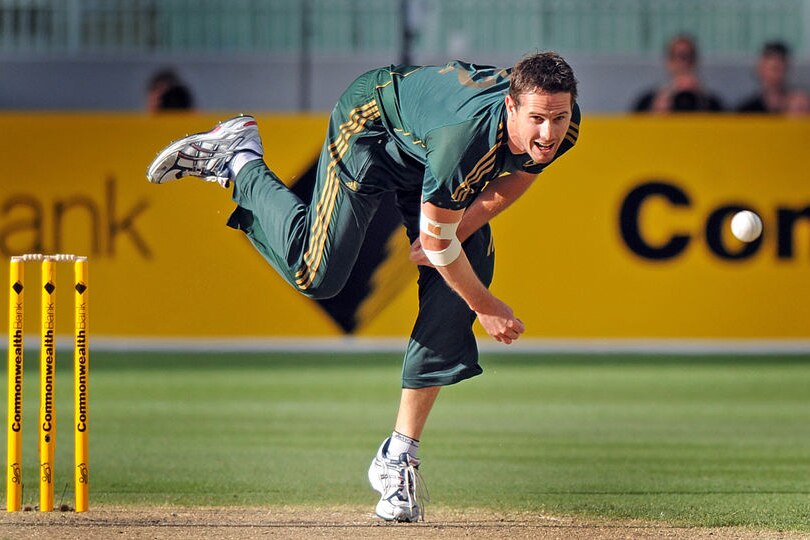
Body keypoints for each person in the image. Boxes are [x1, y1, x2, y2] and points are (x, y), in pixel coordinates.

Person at [146, 52, 580, 522]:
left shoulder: (563, 125)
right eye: (537, 119)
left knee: (461, 273)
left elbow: (522, 174)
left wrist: (460, 231)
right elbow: (438, 242)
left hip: (424, 153)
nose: (548, 133)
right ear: (511, 107)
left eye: (558, 117)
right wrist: (486, 303)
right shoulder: (465, 138)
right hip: (372, 129)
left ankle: (399, 455)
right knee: (318, 275)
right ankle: (240, 158)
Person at [632, 34, 724, 112]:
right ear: (668, 61)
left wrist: (703, 104)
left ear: (696, 60)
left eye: (688, 56)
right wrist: (656, 110)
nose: (683, 63)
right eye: (678, 56)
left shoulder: (711, 102)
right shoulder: (649, 101)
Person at [737, 41, 792, 113]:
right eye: (772, 68)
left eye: (778, 68)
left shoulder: (799, 107)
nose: (774, 74)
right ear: (759, 68)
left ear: (787, 68)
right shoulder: (747, 109)